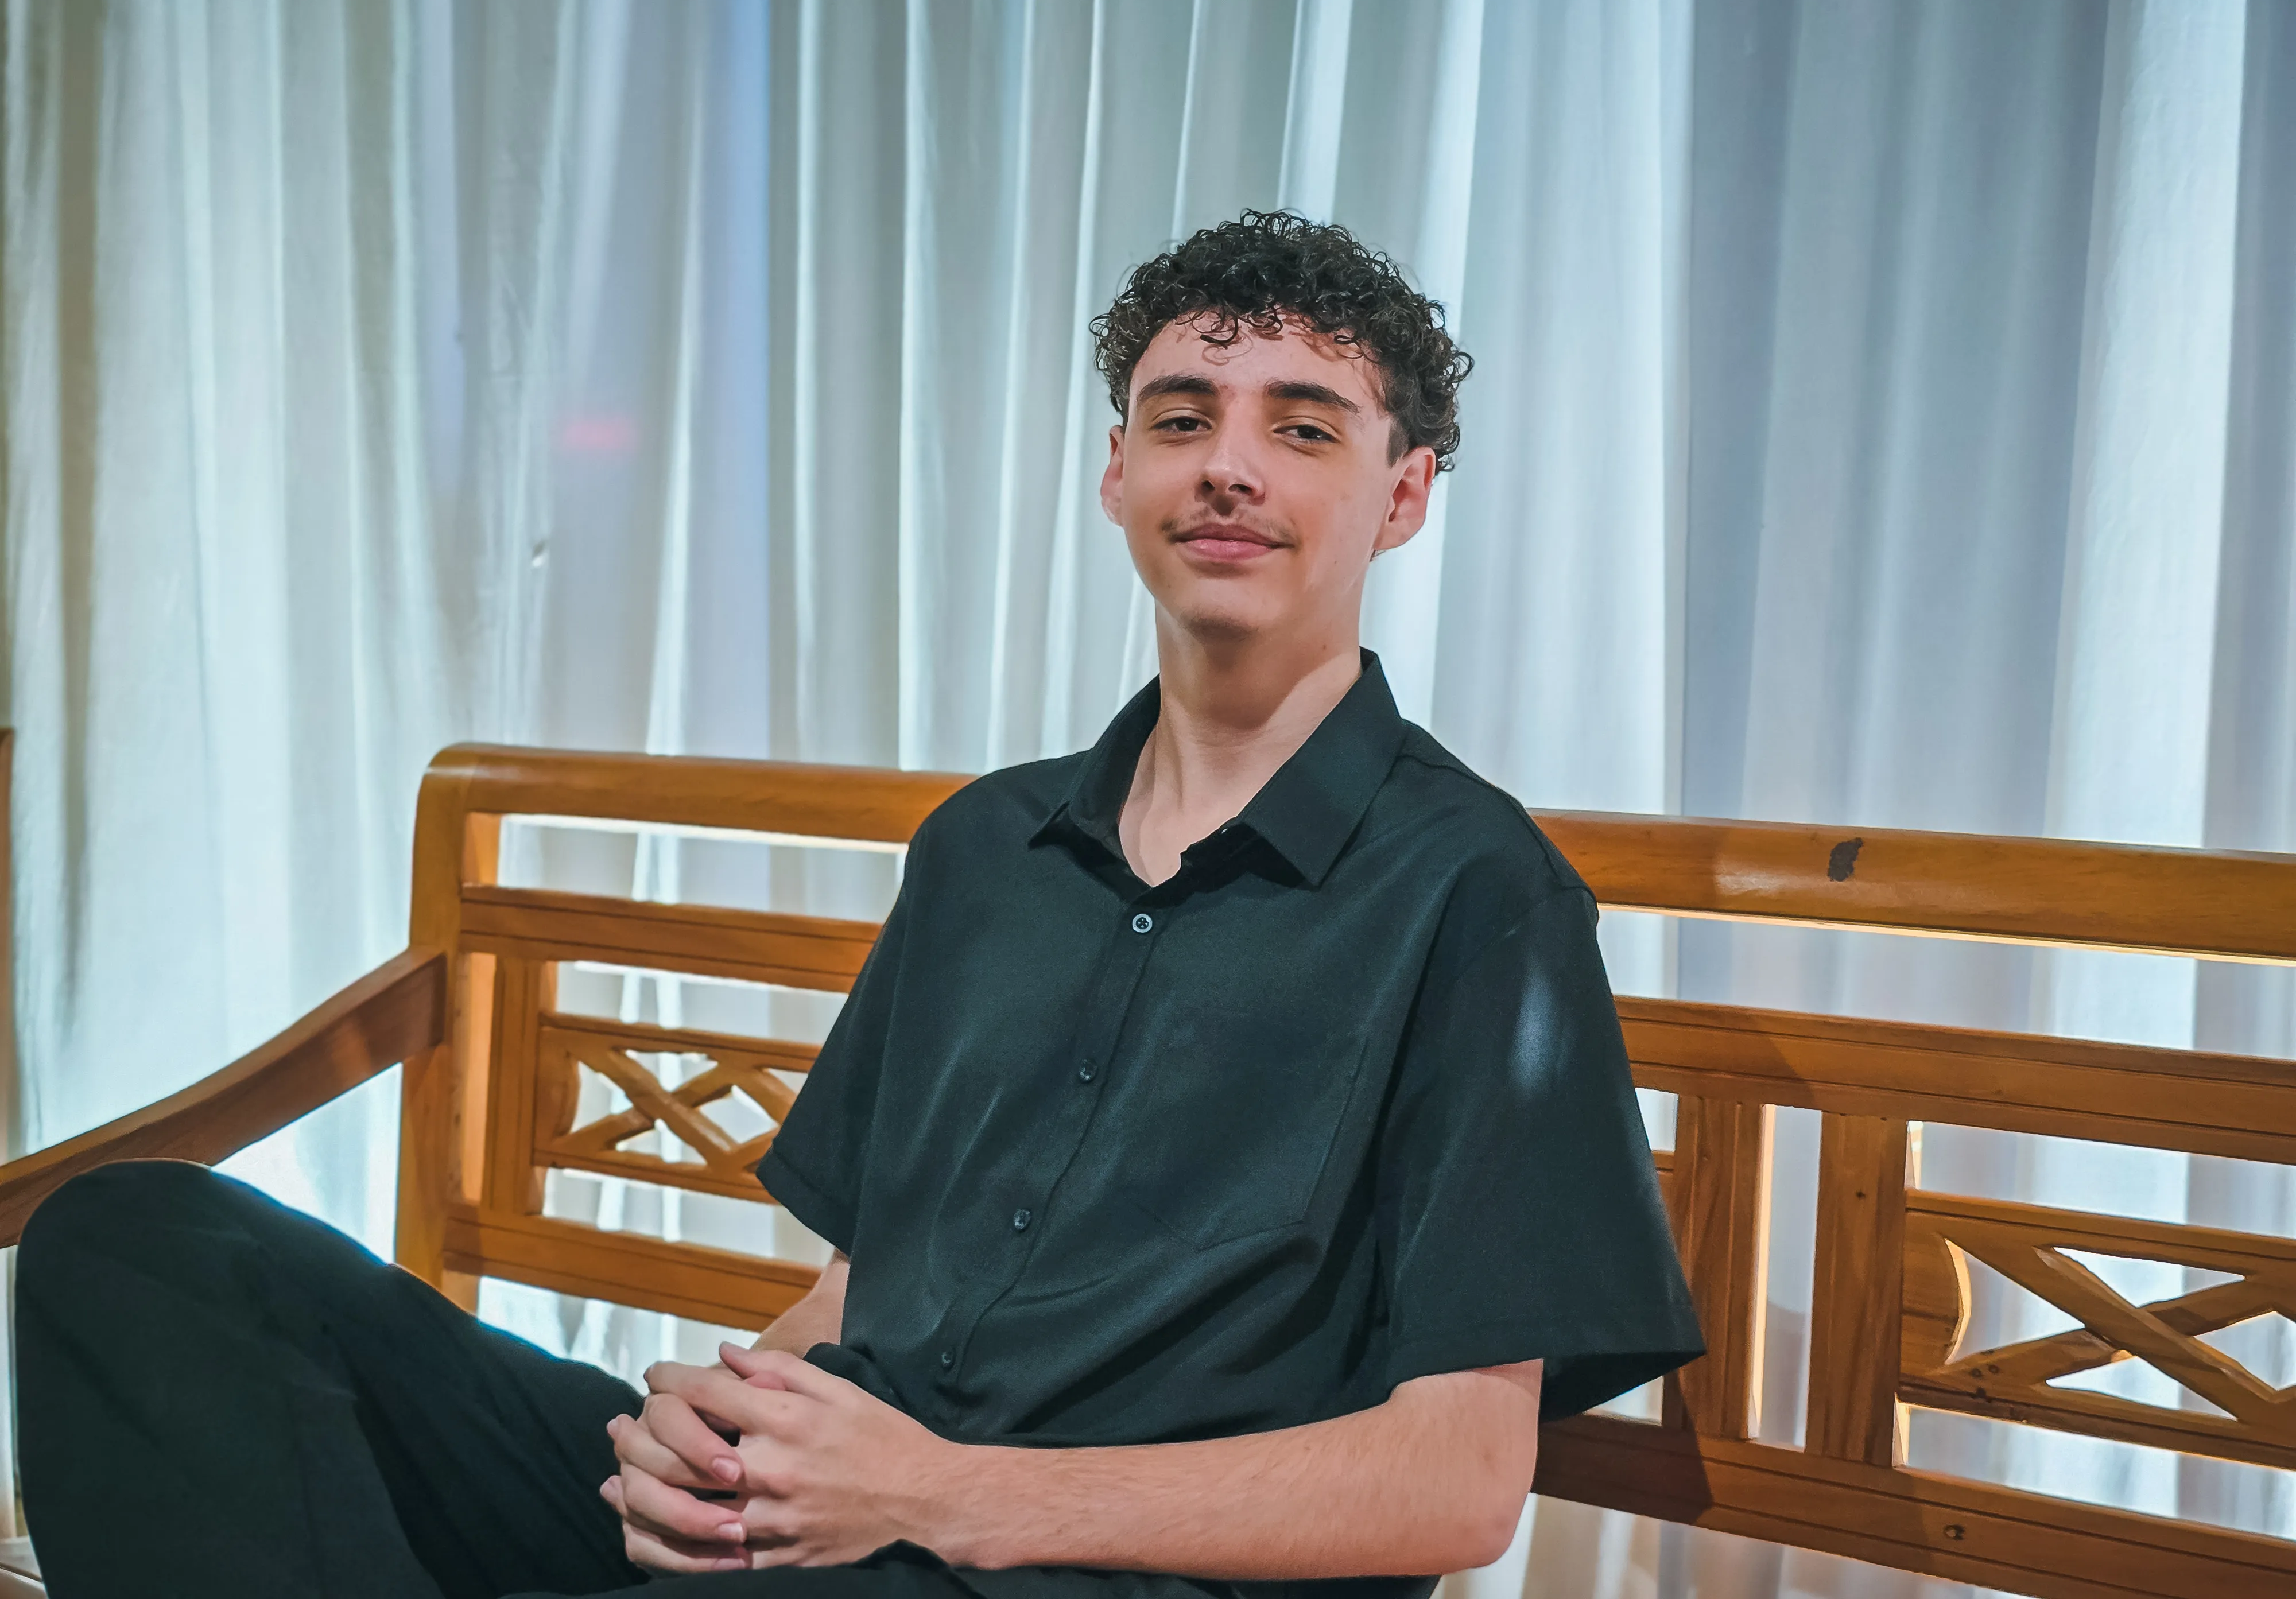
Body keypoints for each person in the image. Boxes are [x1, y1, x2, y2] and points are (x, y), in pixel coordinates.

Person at [15, 211, 1699, 1599]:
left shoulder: (1477, 894)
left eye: (1304, 428)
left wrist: (952, 1496)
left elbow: (1458, 1483)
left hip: (1081, 1570)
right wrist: (718, 1424)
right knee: (145, 1251)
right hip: (840, 1525)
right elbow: (864, 1290)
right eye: (1184, 418)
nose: (1229, 468)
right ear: (1117, 472)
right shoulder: (987, 848)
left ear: (1403, 496)